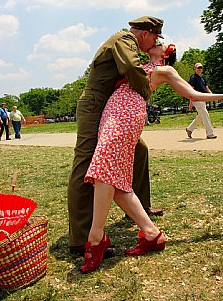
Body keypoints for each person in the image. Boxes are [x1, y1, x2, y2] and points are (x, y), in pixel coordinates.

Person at [80, 42, 223, 274]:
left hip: (126, 117)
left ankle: (95, 239)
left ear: (165, 54)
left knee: (105, 170)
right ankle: (152, 235)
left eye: (159, 43)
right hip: (113, 115)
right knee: (115, 181)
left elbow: (192, 93)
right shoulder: (137, 64)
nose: (154, 43)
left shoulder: (164, 71)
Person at [68, 16, 164, 258]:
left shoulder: (129, 42)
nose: (154, 42)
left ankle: (139, 208)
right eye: (154, 37)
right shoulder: (125, 39)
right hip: (95, 105)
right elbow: (132, 69)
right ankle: (81, 239)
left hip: (108, 107)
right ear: (145, 33)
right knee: (86, 163)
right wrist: (146, 92)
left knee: (139, 150)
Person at [186, 62, 217, 139]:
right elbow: (191, 90)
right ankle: (210, 134)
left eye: (201, 68)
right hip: (196, 99)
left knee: (201, 116)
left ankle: (189, 129)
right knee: (205, 114)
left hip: (203, 98)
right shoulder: (193, 78)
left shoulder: (202, 78)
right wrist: (190, 102)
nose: (199, 69)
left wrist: (213, 96)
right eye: (198, 68)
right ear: (195, 69)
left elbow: (207, 88)